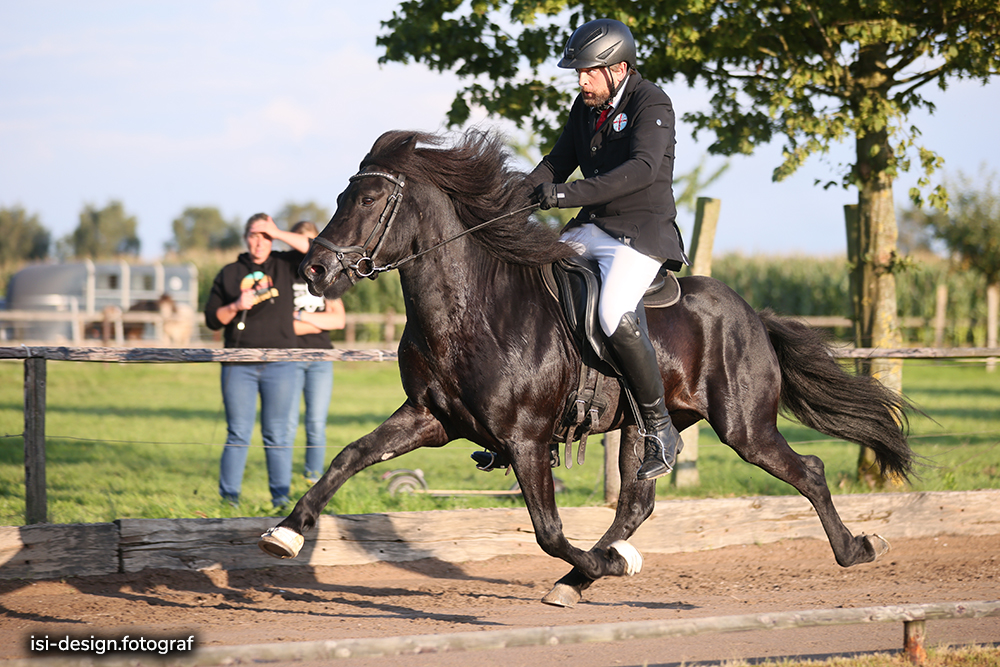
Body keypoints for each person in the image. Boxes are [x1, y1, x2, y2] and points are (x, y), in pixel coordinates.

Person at [527, 18, 689, 481]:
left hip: (640, 234)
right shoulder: (585, 107)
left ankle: (660, 426)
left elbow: (640, 170)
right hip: (593, 228)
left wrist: (563, 196)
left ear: (618, 68)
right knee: (529, 281)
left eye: (588, 72)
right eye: (578, 72)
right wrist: (513, 195)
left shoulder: (651, 101)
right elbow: (556, 163)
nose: (581, 80)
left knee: (613, 312)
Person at [204, 213, 311, 508]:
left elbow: (313, 248)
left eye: (265, 236)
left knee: (277, 433)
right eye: (254, 234)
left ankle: (280, 500)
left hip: (281, 364)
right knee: (238, 432)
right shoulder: (229, 273)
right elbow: (213, 320)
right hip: (239, 365)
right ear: (245, 238)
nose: (259, 242)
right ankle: (229, 501)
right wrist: (237, 305)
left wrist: (277, 232)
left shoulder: (286, 265)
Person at [287, 220, 346, 484]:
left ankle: (311, 478)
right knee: (286, 425)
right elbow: (283, 326)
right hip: (289, 357)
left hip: (321, 358)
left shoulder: (324, 276)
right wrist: (316, 320)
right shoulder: (285, 274)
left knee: (316, 424)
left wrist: (301, 317)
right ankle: (282, 480)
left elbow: (338, 321)